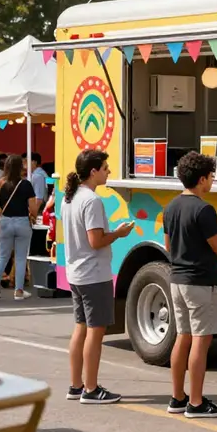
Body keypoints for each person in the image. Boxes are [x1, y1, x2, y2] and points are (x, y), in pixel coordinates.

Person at [164, 151, 217, 419]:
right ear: (201, 179)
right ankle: (196, 403)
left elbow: (168, 246)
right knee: (201, 342)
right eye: (211, 176)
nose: (212, 181)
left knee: (183, 337)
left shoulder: (171, 207)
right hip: (201, 282)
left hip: (177, 280)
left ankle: (178, 397)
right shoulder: (204, 209)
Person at [62, 150, 134, 404]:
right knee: (95, 332)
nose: (108, 172)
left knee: (81, 327)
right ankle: (91, 389)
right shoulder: (91, 200)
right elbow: (95, 241)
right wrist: (118, 233)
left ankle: (76, 385)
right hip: (93, 274)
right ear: (93, 172)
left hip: (76, 272)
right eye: (105, 168)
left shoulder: (70, 197)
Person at [0, 154, 38, 300]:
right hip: (22, 222)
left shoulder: (1, 183)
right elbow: (33, 207)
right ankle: (19, 291)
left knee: (2, 256)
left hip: (5, 221)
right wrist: (33, 216)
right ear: (20, 167)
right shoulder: (26, 184)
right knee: (20, 257)